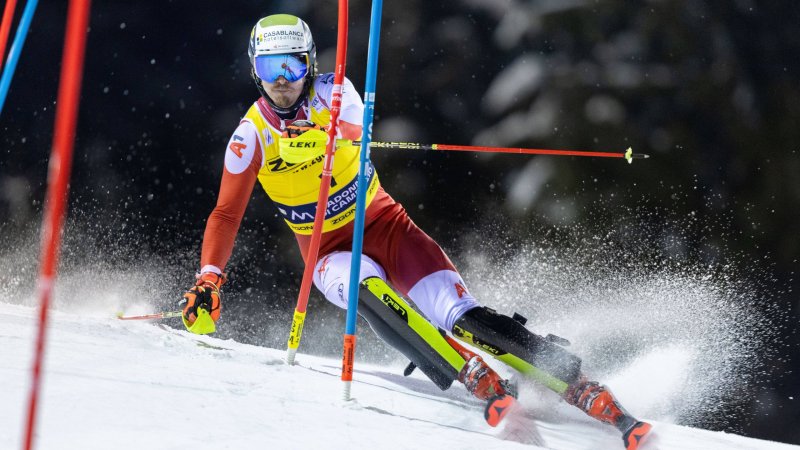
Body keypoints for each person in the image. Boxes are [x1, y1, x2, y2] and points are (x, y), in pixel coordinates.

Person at [179, 14, 651, 449]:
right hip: (328, 254)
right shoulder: (249, 137)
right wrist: (209, 279)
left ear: (309, 64)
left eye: (291, 65)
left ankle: (579, 384)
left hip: (388, 227)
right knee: (369, 292)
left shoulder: (334, 92)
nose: (281, 80)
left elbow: (355, 124)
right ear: (254, 70)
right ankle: (474, 379)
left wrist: (328, 133)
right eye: (269, 66)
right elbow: (225, 215)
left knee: (460, 316)